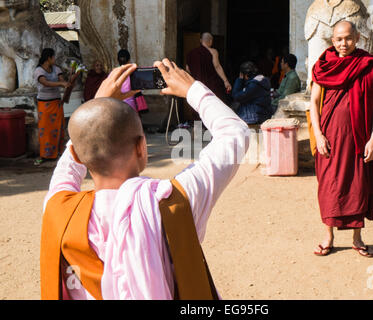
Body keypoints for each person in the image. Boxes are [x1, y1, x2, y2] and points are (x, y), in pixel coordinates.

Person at [39, 60, 249, 300]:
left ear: (77, 152)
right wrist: (194, 90)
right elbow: (235, 134)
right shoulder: (174, 201)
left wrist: (97, 105)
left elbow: (69, 164)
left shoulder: (59, 210)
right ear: (142, 147)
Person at [309, 20, 373, 257]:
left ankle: (357, 238)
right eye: (338, 39)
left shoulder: (368, 65)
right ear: (332, 40)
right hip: (330, 138)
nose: (343, 43)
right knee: (329, 187)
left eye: (348, 38)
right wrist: (319, 135)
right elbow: (314, 102)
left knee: (358, 186)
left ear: (357, 39)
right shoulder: (324, 66)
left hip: (359, 139)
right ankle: (329, 236)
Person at [33, 48, 70, 166]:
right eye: (53, 57)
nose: (54, 59)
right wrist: (61, 84)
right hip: (44, 104)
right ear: (48, 58)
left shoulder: (56, 69)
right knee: (45, 130)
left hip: (57, 103)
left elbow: (62, 80)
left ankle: (59, 152)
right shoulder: (39, 71)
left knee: (59, 127)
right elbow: (45, 83)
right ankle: (44, 154)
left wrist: (68, 81)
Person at [186, 32, 231, 105]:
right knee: (213, 105)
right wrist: (225, 81)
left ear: (201, 40)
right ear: (211, 41)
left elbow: (188, 69)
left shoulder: (191, 53)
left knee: (199, 106)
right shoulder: (213, 51)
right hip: (211, 85)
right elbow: (217, 66)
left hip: (197, 86)